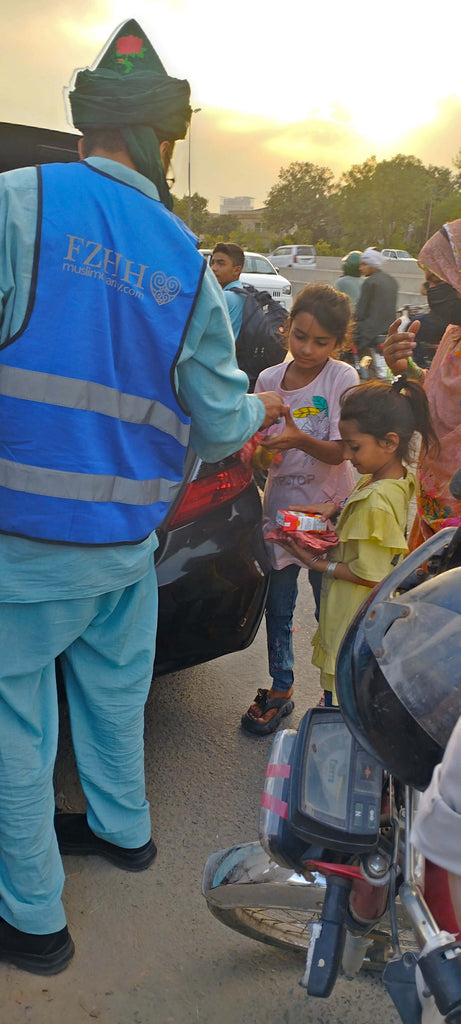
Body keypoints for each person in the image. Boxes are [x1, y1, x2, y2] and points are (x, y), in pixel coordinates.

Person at [0, 20, 285, 975]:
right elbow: (217, 420)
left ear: (87, 125)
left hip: (24, 543)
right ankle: (125, 834)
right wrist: (261, 403)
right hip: (130, 543)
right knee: (114, 698)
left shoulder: (15, 203)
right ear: (161, 139)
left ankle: (35, 922)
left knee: (16, 725)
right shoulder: (183, 256)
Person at [240, 284, 359, 735]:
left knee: (331, 608)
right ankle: (282, 686)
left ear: (340, 344)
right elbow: (259, 456)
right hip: (282, 514)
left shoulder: (341, 379)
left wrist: (296, 439)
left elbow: (343, 451)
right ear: (286, 329)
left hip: (327, 514)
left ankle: (333, 698)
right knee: (280, 605)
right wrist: (265, 454)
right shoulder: (268, 380)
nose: (307, 349)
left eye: (321, 341)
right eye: (300, 336)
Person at [274, 378, 436, 705]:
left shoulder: (376, 501)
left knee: (343, 699)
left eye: (354, 446)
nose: (346, 455)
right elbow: (365, 500)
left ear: (390, 442)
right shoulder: (393, 476)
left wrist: (318, 564)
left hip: (352, 617)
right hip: (359, 619)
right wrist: (335, 508)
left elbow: (372, 573)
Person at [383, 219, 461, 549]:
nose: (425, 290)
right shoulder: (454, 334)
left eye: (435, 279)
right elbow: (438, 395)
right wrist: (405, 368)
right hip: (435, 505)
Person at [355, 247, 398, 379]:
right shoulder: (392, 281)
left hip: (370, 330)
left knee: (348, 337)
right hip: (388, 329)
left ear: (372, 264)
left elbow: (361, 312)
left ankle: (361, 368)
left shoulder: (370, 282)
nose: (361, 268)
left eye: (364, 264)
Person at [210, 242, 246, 340]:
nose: (213, 268)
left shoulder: (226, 297)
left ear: (237, 270)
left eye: (221, 263)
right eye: (212, 263)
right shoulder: (241, 293)